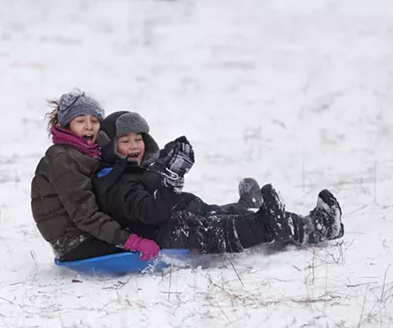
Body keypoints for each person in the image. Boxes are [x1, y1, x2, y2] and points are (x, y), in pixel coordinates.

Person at [93, 111, 345, 255]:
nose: (135, 146)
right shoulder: (114, 182)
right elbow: (147, 212)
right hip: (166, 232)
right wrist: (169, 181)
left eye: (138, 138)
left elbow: (150, 194)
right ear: (109, 145)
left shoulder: (128, 172)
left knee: (214, 213)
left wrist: (163, 169)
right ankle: (309, 227)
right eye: (126, 141)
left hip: (177, 216)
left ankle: (246, 208)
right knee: (225, 227)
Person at [30, 90, 161, 262]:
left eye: (94, 121)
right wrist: (130, 241)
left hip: (87, 233)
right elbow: (85, 214)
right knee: (158, 234)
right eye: (80, 121)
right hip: (74, 242)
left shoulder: (88, 153)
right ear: (66, 125)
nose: (89, 126)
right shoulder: (63, 159)